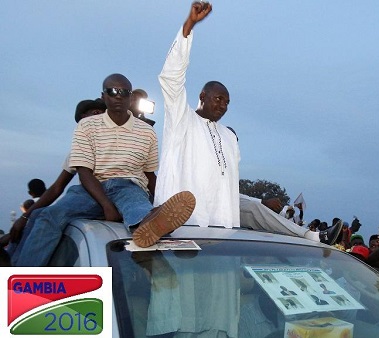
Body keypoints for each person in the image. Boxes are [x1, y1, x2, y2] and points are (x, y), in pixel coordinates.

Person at [13, 74, 196, 266]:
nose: (118, 96)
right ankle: (21, 284)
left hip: (129, 186)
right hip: (92, 188)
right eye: (113, 91)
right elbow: (84, 171)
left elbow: (149, 175)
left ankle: (158, 230)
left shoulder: (147, 132)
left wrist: (162, 200)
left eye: (124, 92)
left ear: (130, 97)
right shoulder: (87, 126)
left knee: (140, 212)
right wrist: (107, 205)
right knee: (49, 216)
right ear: (104, 96)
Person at [155, 1, 240, 228]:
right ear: (202, 95)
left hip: (222, 229)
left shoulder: (229, 137)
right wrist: (188, 26)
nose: (223, 105)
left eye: (227, 102)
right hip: (182, 228)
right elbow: (172, 78)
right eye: (218, 98)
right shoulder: (182, 119)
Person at [4, 98, 107, 258]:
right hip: (89, 200)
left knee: (49, 216)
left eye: (99, 114)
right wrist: (24, 217)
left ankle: (24, 276)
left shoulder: (117, 140)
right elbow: (57, 187)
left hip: (109, 196)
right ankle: (14, 264)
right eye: (82, 123)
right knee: (38, 215)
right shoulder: (79, 149)